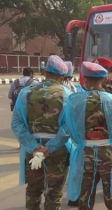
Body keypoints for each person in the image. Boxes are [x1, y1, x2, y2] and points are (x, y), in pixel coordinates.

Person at [64, 62, 112, 209]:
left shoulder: (74, 100)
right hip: (109, 152)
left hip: (84, 151)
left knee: (85, 197)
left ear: (85, 79)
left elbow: (68, 127)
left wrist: (80, 142)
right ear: (103, 79)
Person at [11, 55, 71, 210]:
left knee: (33, 191)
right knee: (54, 193)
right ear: (63, 76)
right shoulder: (67, 95)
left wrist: (33, 147)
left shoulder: (25, 93)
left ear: (44, 72)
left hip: (32, 150)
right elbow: (69, 127)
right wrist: (50, 147)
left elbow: (16, 124)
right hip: (58, 150)